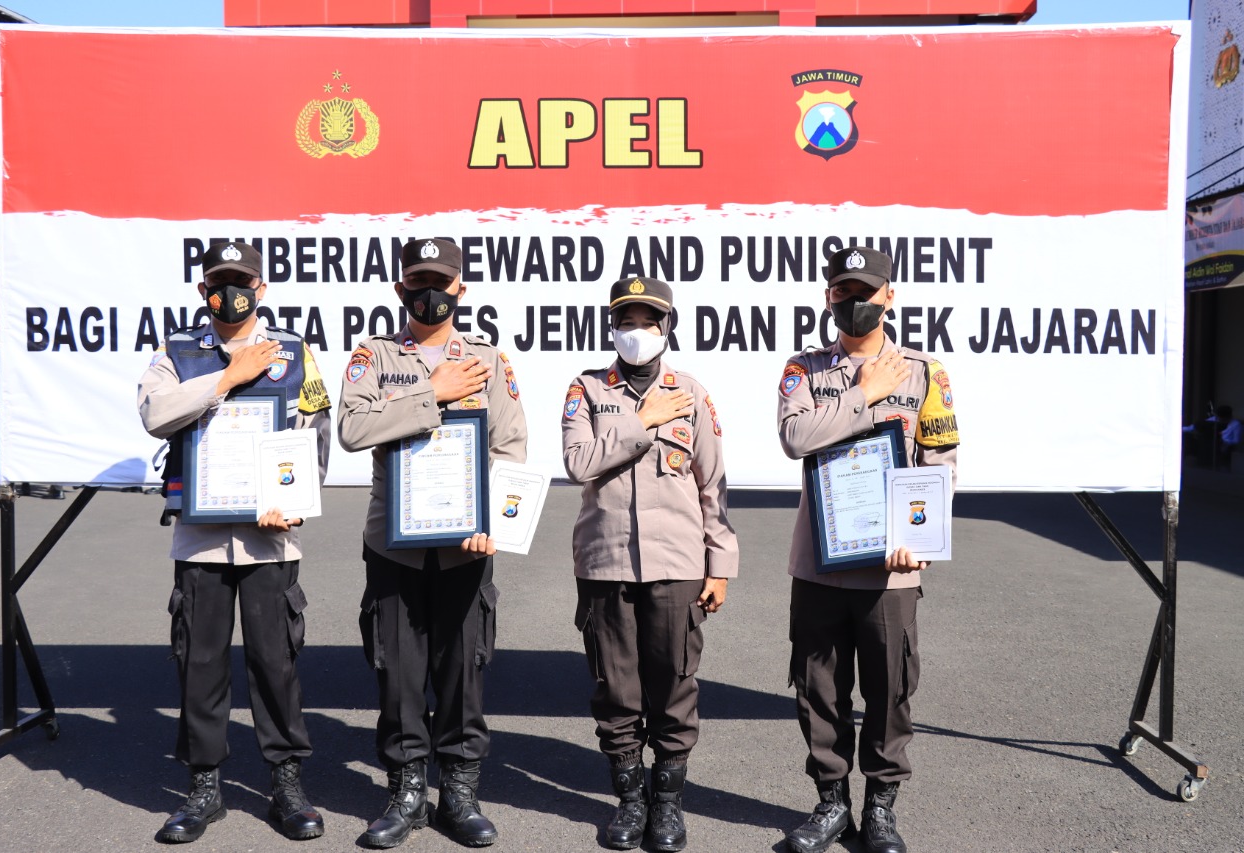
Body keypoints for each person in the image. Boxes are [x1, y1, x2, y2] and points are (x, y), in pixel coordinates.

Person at [138, 242, 332, 844]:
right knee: (200, 663)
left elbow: (315, 430)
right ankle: (203, 787)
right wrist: (228, 377)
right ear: (204, 292)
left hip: (269, 539)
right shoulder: (175, 352)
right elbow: (154, 415)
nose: (232, 291)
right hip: (200, 540)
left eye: (243, 280)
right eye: (220, 282)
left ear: (262, 288)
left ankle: (286, 783)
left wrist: (295, 502)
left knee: (277, 664)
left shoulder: (296, 352)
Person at [337, 237, 527, 849]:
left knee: (463, 670)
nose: (430, 291)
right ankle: (406, 791)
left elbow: (511, 449)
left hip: (465, 544)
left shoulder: (488, 359)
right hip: (394, 545)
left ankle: (461, 793)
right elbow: (352, 428)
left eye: (441, 281)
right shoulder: (373, 356)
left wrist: (492, 519)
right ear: (400, 288)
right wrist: (432, 393)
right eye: (417, 279)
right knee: (397, 669)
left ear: (460, 289)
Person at [776, 247, 958, 853]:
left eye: (866, 291)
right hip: (821, 565)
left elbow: (940, 463)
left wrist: (918, 537)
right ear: (827, 297)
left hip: (891, 569)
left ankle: (881, 807)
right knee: (818, 688)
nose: (854, 302)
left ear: (890, 295)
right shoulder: (802, 370)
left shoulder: (926, 374)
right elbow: (796, 438)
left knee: (889, 692)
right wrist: (862, 393)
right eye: (841, 290)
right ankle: (830, 804)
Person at [561, 277, 739, 853]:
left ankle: (667, 805)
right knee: (615, 691)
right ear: (611, 327)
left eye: (648, 321)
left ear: (668, 327)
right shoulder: (586, 389)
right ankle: (629, 802)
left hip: (677, 564)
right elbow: (579, 462)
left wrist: (721, 564)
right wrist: (643, 422)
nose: (636, 332)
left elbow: (712, 484)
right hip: (606, 563)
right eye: (627, 321)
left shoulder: (691, 392)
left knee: (673, 688)